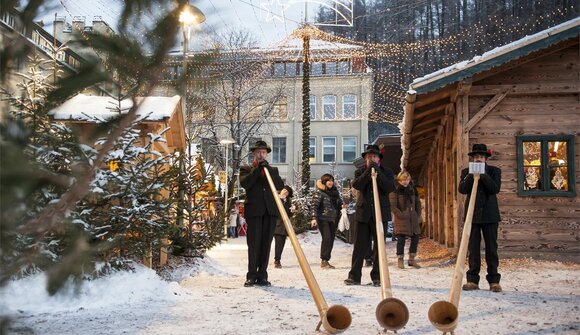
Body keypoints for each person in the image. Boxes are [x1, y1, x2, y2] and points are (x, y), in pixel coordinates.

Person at [344, 144, 395, 286]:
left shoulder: (387, 172)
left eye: (373, 156)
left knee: (379, 247)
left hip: (380, 215)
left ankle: (378, 277)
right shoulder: (360, 172)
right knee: (359, 247)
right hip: (363, 214)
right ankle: (354, 276)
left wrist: (377, 171)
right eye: (368, 157)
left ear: (379, 158)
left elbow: (389, 187)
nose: (370, 159)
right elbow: (357, 185)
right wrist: (368, 172)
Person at [458, 143, 502, 293]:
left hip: (490, 216)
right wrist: (472, 175)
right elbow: (462, 190)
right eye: (476, 157)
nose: (478, 159)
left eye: (481, 157)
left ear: (485, 158)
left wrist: (483, 175)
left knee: (491, 248)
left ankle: (494, 281)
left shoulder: (494, 171)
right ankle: (472, 280)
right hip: (473, 216)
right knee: (473, 248)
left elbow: (495, 189)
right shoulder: (466, 172)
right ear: (472, 158)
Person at [239, 140, 284, 287]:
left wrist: (268, 170)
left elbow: (279, 185)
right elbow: (246, 184)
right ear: (254, 153)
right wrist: (257, 170)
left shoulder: (273, 170)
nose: (261, 154)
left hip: (270, 212)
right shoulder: (246, 169)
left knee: (266, 244)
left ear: (267, 154)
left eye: (263, 152)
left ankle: (262, 275)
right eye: (258, 152)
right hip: (254, 212)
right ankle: (251, 275)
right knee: (254, 244)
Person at [389, 171, 422, 269]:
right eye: (403, 179)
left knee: (415, 238)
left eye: (407, 179)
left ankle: (412, 259)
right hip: (401, 219)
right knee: (401, 240)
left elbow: (417, 202)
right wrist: (402, 215)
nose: (405, 182)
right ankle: (400, 259)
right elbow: (393, 206)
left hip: (413, 218)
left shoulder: (412, 189)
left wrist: (417, 214)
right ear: (399, 180)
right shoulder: (395, 190)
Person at [311, 174, 342, 269]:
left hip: (332, 219)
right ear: (324, 181)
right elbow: (314, 206)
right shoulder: (319, 192)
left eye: (332, 180)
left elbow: (338, 205)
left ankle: (326, 260)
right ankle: (324, 260)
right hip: (322, 218)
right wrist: (313, 218)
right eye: (328, 180)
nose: (331, 182)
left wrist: (342, 206)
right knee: (327, 238)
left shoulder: (335, 192)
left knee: (331, 239)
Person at [273, 185, 294, 268]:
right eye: (284, 190)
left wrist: (292, 211)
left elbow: (288, 215)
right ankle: (274, 260)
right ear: (281, 190)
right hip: (276, 224)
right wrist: (281, 200)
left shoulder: (288, 202)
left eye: (287, 192)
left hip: (284, 226)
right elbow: (275, 210)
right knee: (275, 243)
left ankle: (277, 260)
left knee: (281, 244)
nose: (285, 192)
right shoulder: (276, 198)